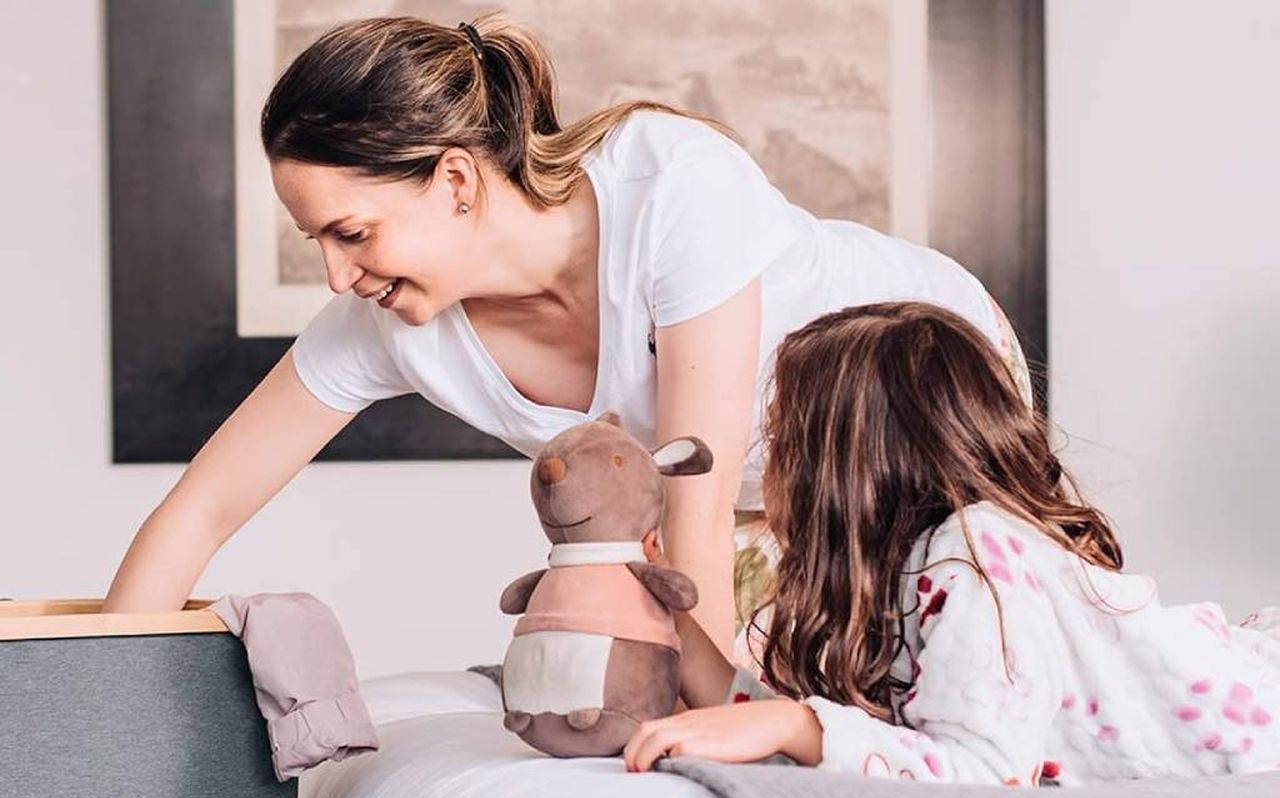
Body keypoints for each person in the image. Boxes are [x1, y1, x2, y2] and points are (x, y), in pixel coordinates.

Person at [101, 14, 1030, 667]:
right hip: (775, 496)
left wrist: (692, 737)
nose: (339, 276)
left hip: (936, 392)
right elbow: (200, 510)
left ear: (457, 181)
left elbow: (690, 513)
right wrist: (103, 708)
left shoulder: (670, 189)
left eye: (352, 233)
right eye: (317, 245)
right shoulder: (387, 327)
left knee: (978, 664)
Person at [622, 302, 1280, 784]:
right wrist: (671, 621)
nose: (764, 471)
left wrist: (802, 728)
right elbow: (775, 726)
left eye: (782, 444)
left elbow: (988, 771)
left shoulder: (976, 555)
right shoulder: (904, 579)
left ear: (841, 471)